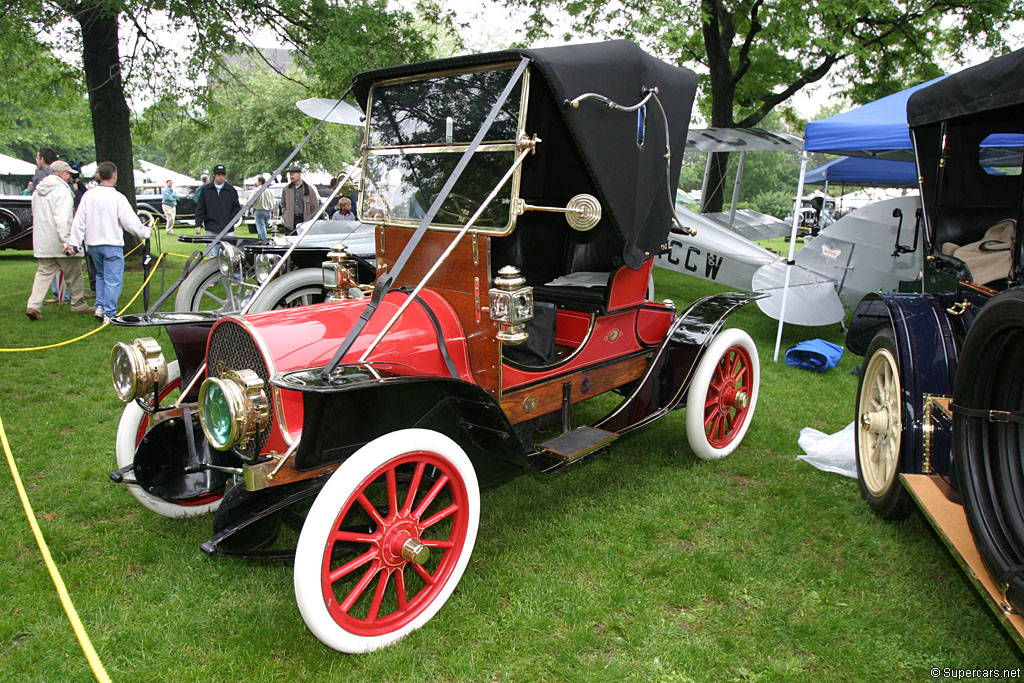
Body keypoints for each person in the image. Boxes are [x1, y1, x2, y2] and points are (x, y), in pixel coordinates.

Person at [68, 161, 151, 323]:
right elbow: (130, 222)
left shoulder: (88, 196)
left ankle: (100, 306)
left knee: (100, 275)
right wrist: (145, 232)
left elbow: (79, 221)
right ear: (114, 176)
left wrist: (75, 242)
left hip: (93, 244)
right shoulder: (117, 197)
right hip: (112, 244)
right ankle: (110, 313)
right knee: (113, 279)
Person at [25, 161, 92, 320]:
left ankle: (33, 305)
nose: (70, 177)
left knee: (43, 274)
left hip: (43, 241)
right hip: (59, 241)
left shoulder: (38, 191)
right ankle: (78, 304)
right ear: (61, 173)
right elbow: (63, 219)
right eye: (68, 173)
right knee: (74, 273)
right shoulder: (61, 190)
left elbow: (35, 214)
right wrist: (68, 242)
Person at [194, 164, 240, 235]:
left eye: (223, 175)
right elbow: (200, 208)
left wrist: (231, 222)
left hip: (228, 229)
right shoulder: (206, 190)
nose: (221, 177)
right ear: (214, 175)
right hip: (211, 228)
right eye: (218, 174)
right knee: (211, 246)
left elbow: (236, 209)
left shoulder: (231, 190)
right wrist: (198, 224)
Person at [280, 167, 320, 232]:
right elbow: (283, 205)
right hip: (290, 223)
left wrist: (311, 221)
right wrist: (286, 216)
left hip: (305, 223)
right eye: (290, 175)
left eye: (292, 174)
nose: (291, 177)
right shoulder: (286, 189)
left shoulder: (309, 189)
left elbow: (315, 207)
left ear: (299, 174)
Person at [250, 176, 276, 240]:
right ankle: (260, 240)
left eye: (257, 181)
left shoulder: (256, 190)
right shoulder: (269, 191)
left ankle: (264, 240)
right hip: (268, 211)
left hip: (258, 210)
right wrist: (273, 212)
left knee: (261, 227)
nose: (256, 183)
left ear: (260, 182)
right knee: (264, 227)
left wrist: (248, 210)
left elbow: (250, 201)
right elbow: (273, 203)